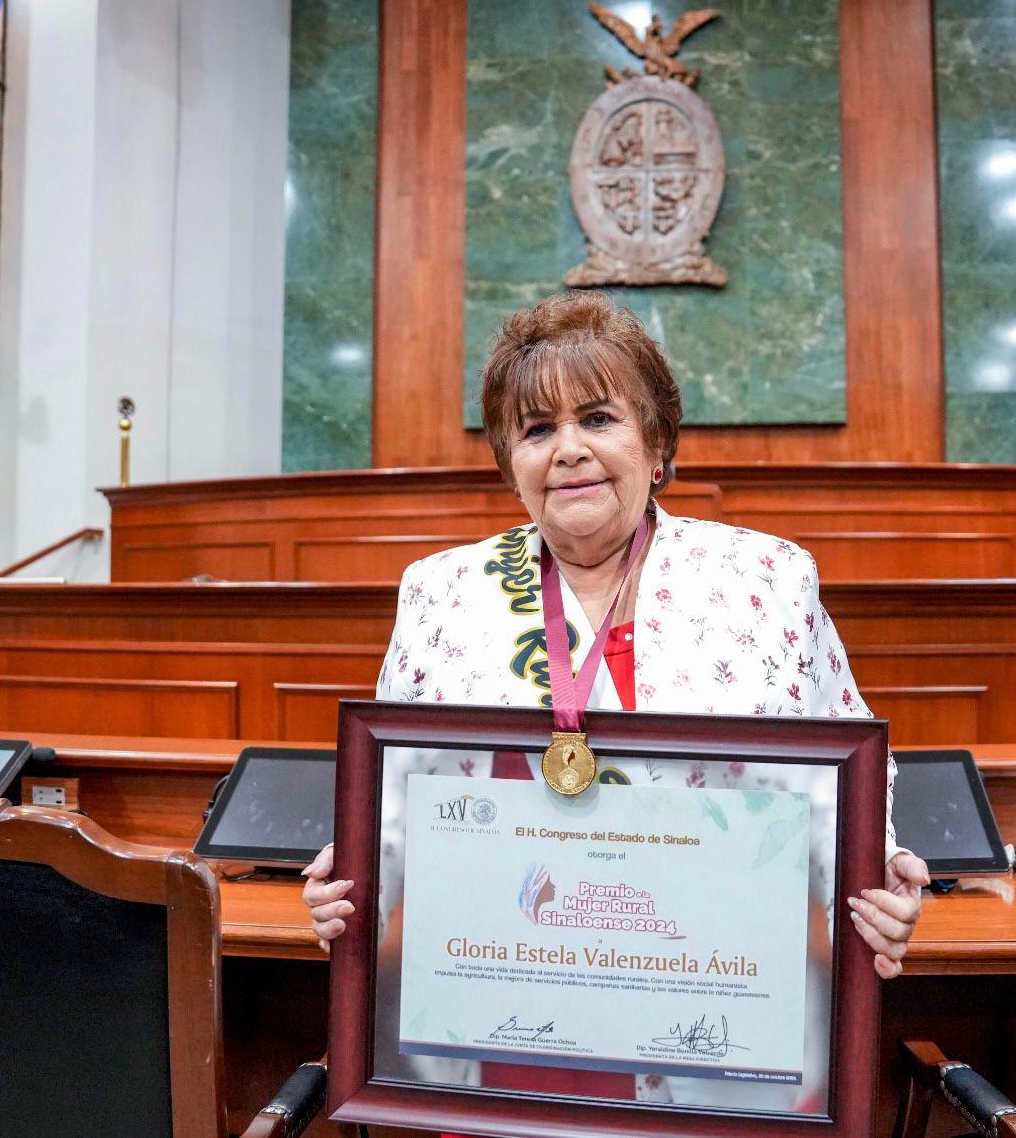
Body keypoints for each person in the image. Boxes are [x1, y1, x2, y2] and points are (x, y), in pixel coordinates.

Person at [303, 291, 930, 1109]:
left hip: (711, 996)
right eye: (536, 430)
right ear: (509, 463)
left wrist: (876, 873)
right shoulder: (444, 590)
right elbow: (391, 797)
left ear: (655, 443)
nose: (568, 451)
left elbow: (836, 766)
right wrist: (343, 876)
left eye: (597, 418)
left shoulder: (763, 579)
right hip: (513, 999)